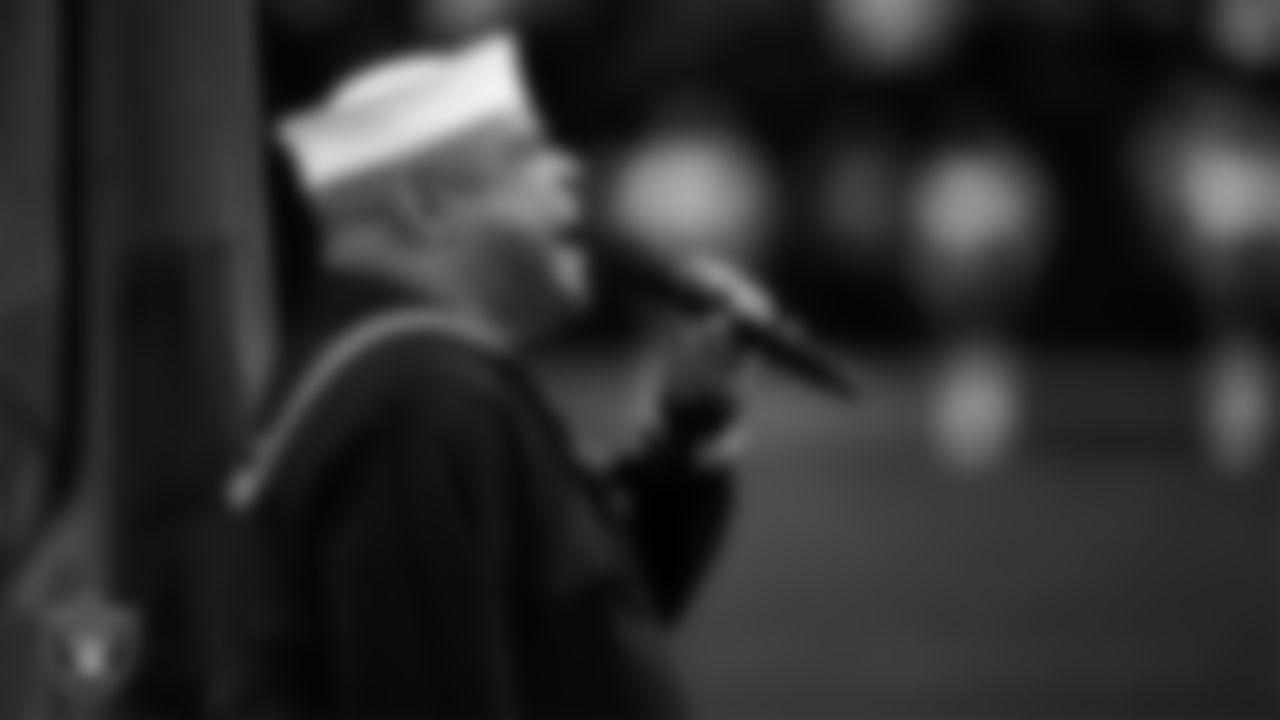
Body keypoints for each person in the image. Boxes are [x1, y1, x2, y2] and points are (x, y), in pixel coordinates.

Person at [218, 32, 758, 719]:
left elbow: (580, 633)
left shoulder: (418, 379)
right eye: (525, 151)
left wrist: (692, 417)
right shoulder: (416, 402)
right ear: (424, 207)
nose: (572, 168)